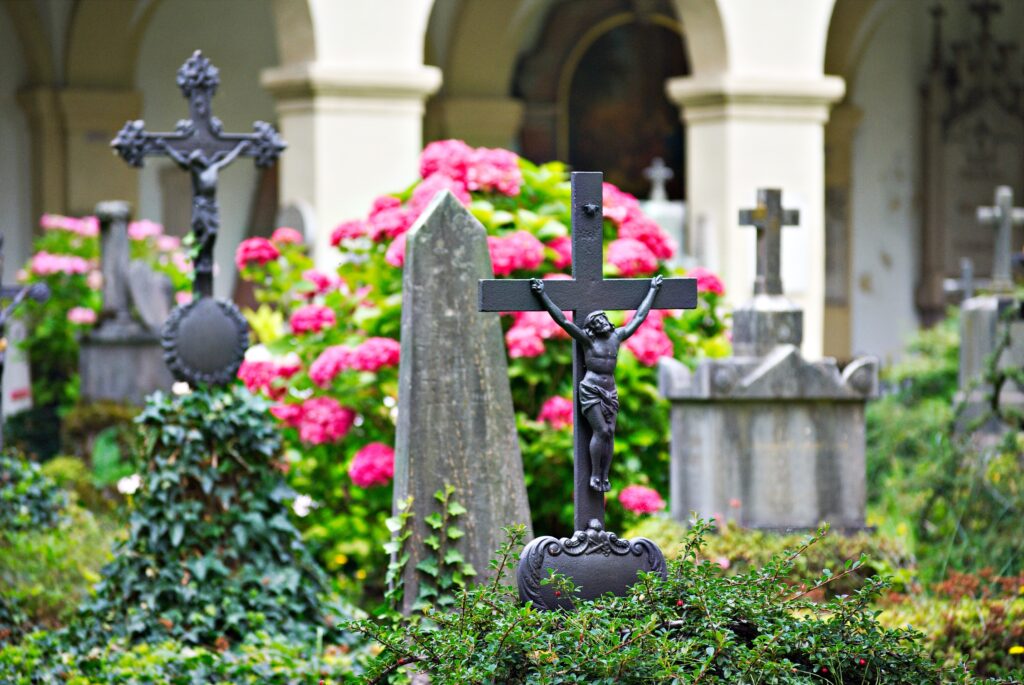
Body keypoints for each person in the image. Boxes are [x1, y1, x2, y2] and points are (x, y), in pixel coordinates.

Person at [530, 274, 663, 492]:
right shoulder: (588, 341)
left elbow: (639, 317)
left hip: (609, 389)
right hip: (591, 388)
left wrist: (653, 290)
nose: (601, 322)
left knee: (609, 432)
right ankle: (594, 475)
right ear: (591, 327)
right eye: (596, 321)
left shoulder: (616, 337)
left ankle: (604, 475)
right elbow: (563, 321)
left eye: (602, 318)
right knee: (600, 430)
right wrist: (542, 294)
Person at [159, 139, 248, 295]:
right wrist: (165, 146)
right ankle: (201, 260)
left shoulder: (212, 168)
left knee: (212, 234)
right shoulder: (196, 170)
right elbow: (180, 160)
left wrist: (240, 148)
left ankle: (206, 258)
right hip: (201, 208)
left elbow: (227, 160)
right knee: (203, 235)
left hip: (211, 208)